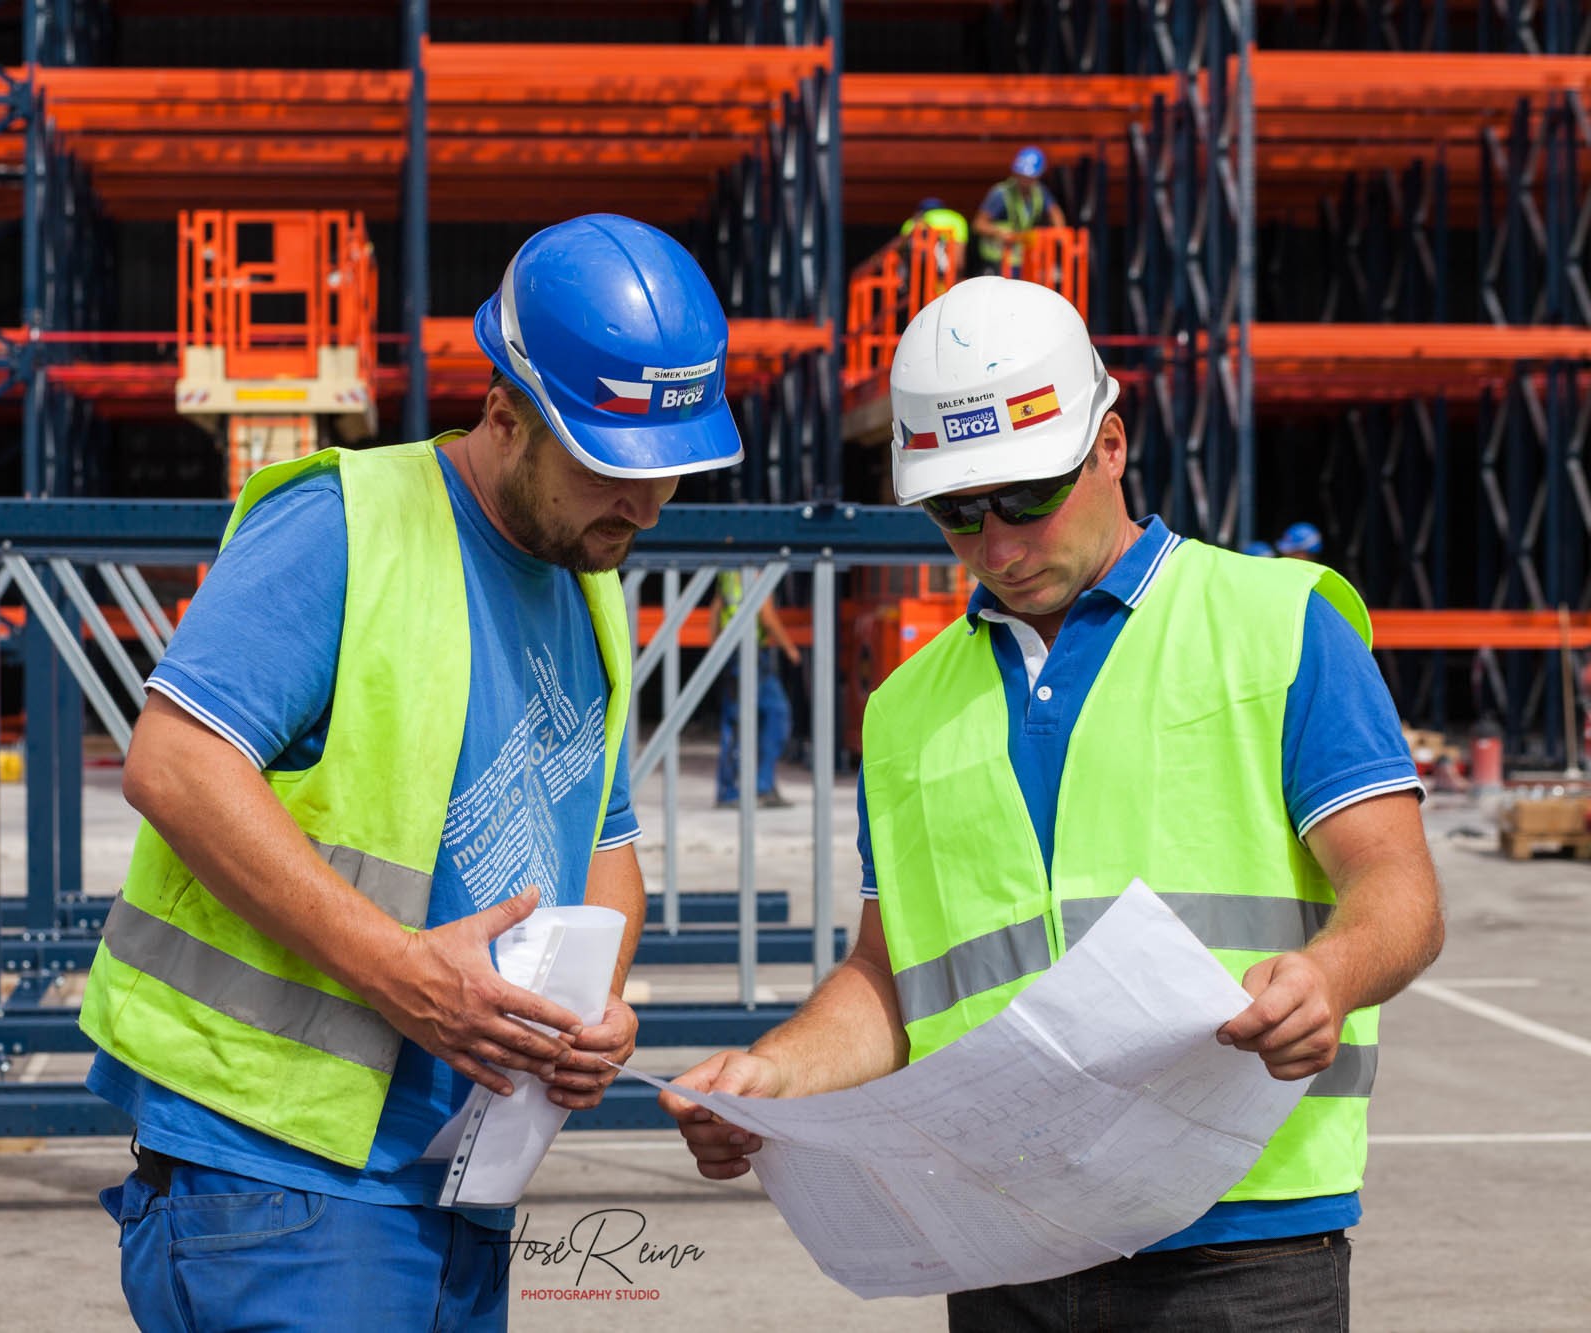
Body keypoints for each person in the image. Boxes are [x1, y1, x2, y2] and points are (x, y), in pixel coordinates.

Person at [661, 277, 1444, 1330]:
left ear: (1109, 444)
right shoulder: (903, 712)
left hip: (1238, 1242)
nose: (996, 542)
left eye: (1027, 496)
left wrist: (1326, 975)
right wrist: (772, 1074)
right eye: (956, 510)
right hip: (1004, 1243)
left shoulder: (1277, 626)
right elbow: (887, 975)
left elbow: (1394, 885)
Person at [83, 213, 744, 1332]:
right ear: (504, 414)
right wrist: (401, 971)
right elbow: (176, 762)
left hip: (454, 1177)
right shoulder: (344, 523)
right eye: (606, 468)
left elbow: (606, 848)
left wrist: (596, 1010)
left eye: (665, 475)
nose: (638, 506)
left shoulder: (581, 584)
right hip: (279, 1175)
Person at [712, 571, 802, 809]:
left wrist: (716, 649)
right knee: (775, 714)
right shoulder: (758, 566)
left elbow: (716, 607)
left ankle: (734, 788)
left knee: (737, 720)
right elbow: (767, 615)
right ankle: (758, 786)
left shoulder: (729, 573)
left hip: (734, 651)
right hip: (751, 654)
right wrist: (790, 648)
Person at [973, 145, 1068, 277]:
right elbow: (979, 224)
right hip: (998, 259)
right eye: (1021, 175)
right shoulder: (1001, 193)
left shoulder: (1040, 192)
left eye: (1029, 177)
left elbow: (1055, 213)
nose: (1024, 180)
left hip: (1023, 259)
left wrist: (1058, 235)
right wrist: (998, 232)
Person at [899, 195, 969, 296]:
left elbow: (900, 247)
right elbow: (959, 257)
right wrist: (959, 277)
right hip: (945, 273)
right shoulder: (957, 218)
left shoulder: (913, 221)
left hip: (918, 278)